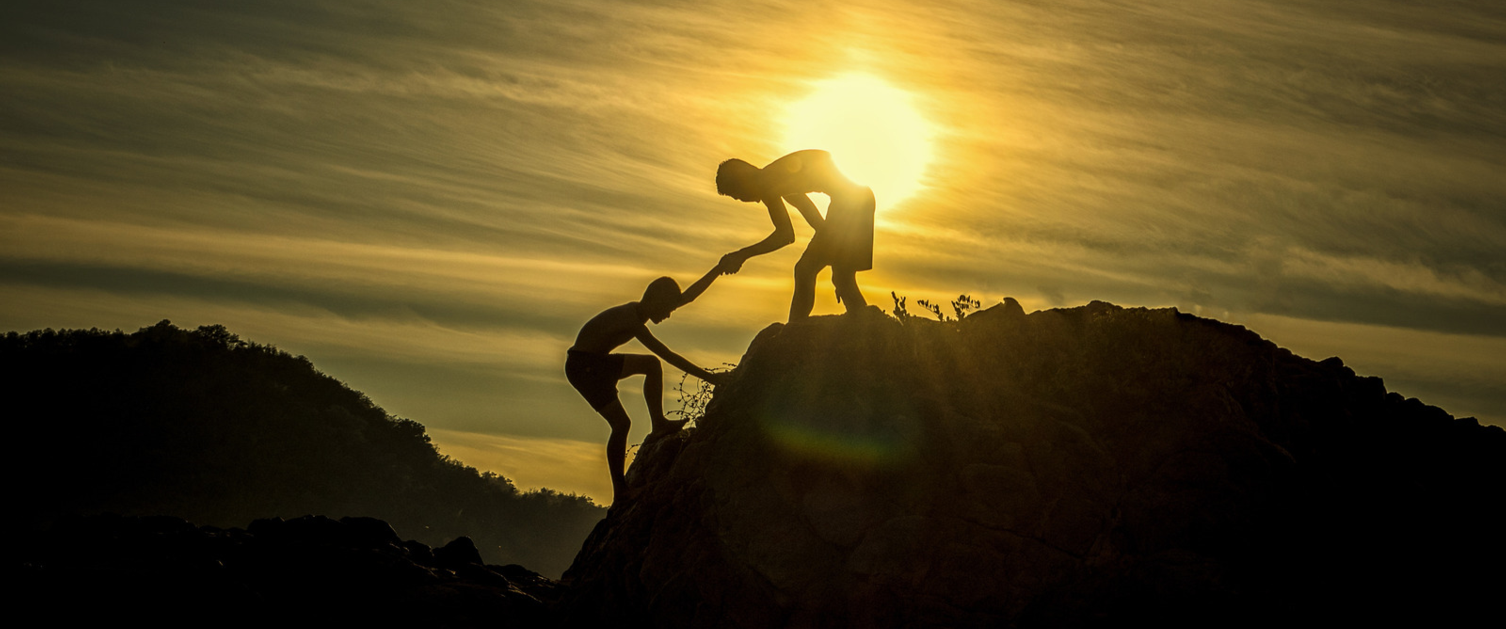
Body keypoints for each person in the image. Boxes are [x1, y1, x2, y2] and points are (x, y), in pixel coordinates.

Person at [566, 263, 730, 503]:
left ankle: (659, 424)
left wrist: (718, 269)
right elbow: (668, 355)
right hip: (584, 368)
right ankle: (620, 492)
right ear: (654, 300)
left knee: (650, 365)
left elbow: (689, 297)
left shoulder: (640, 312)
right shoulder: (631, 320)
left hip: (597, 362)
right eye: (667, 309)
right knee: (621, 425)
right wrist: (711, 378)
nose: (668, 315)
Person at [715, 149, 875, 321]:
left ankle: (794, 331)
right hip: (859, 200)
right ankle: (865, 328)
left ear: (742, 181)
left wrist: (742, 255)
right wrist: (833, 254)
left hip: (850, 205)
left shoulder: (767, 183)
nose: (743, 200)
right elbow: (814, 218)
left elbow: (785, 235)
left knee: (805, 271)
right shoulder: (776, 178)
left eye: (738, 196)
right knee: (842, 279)